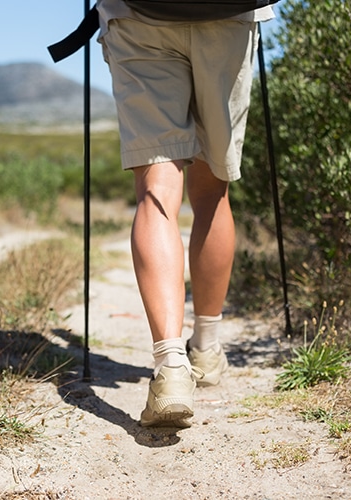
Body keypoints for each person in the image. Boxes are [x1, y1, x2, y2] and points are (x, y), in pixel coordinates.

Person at [96, 1, 275, 427]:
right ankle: (207, 350)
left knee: (157, 186)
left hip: (137, 14)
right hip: (229, 16)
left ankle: (171, 366)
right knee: (212, 190)